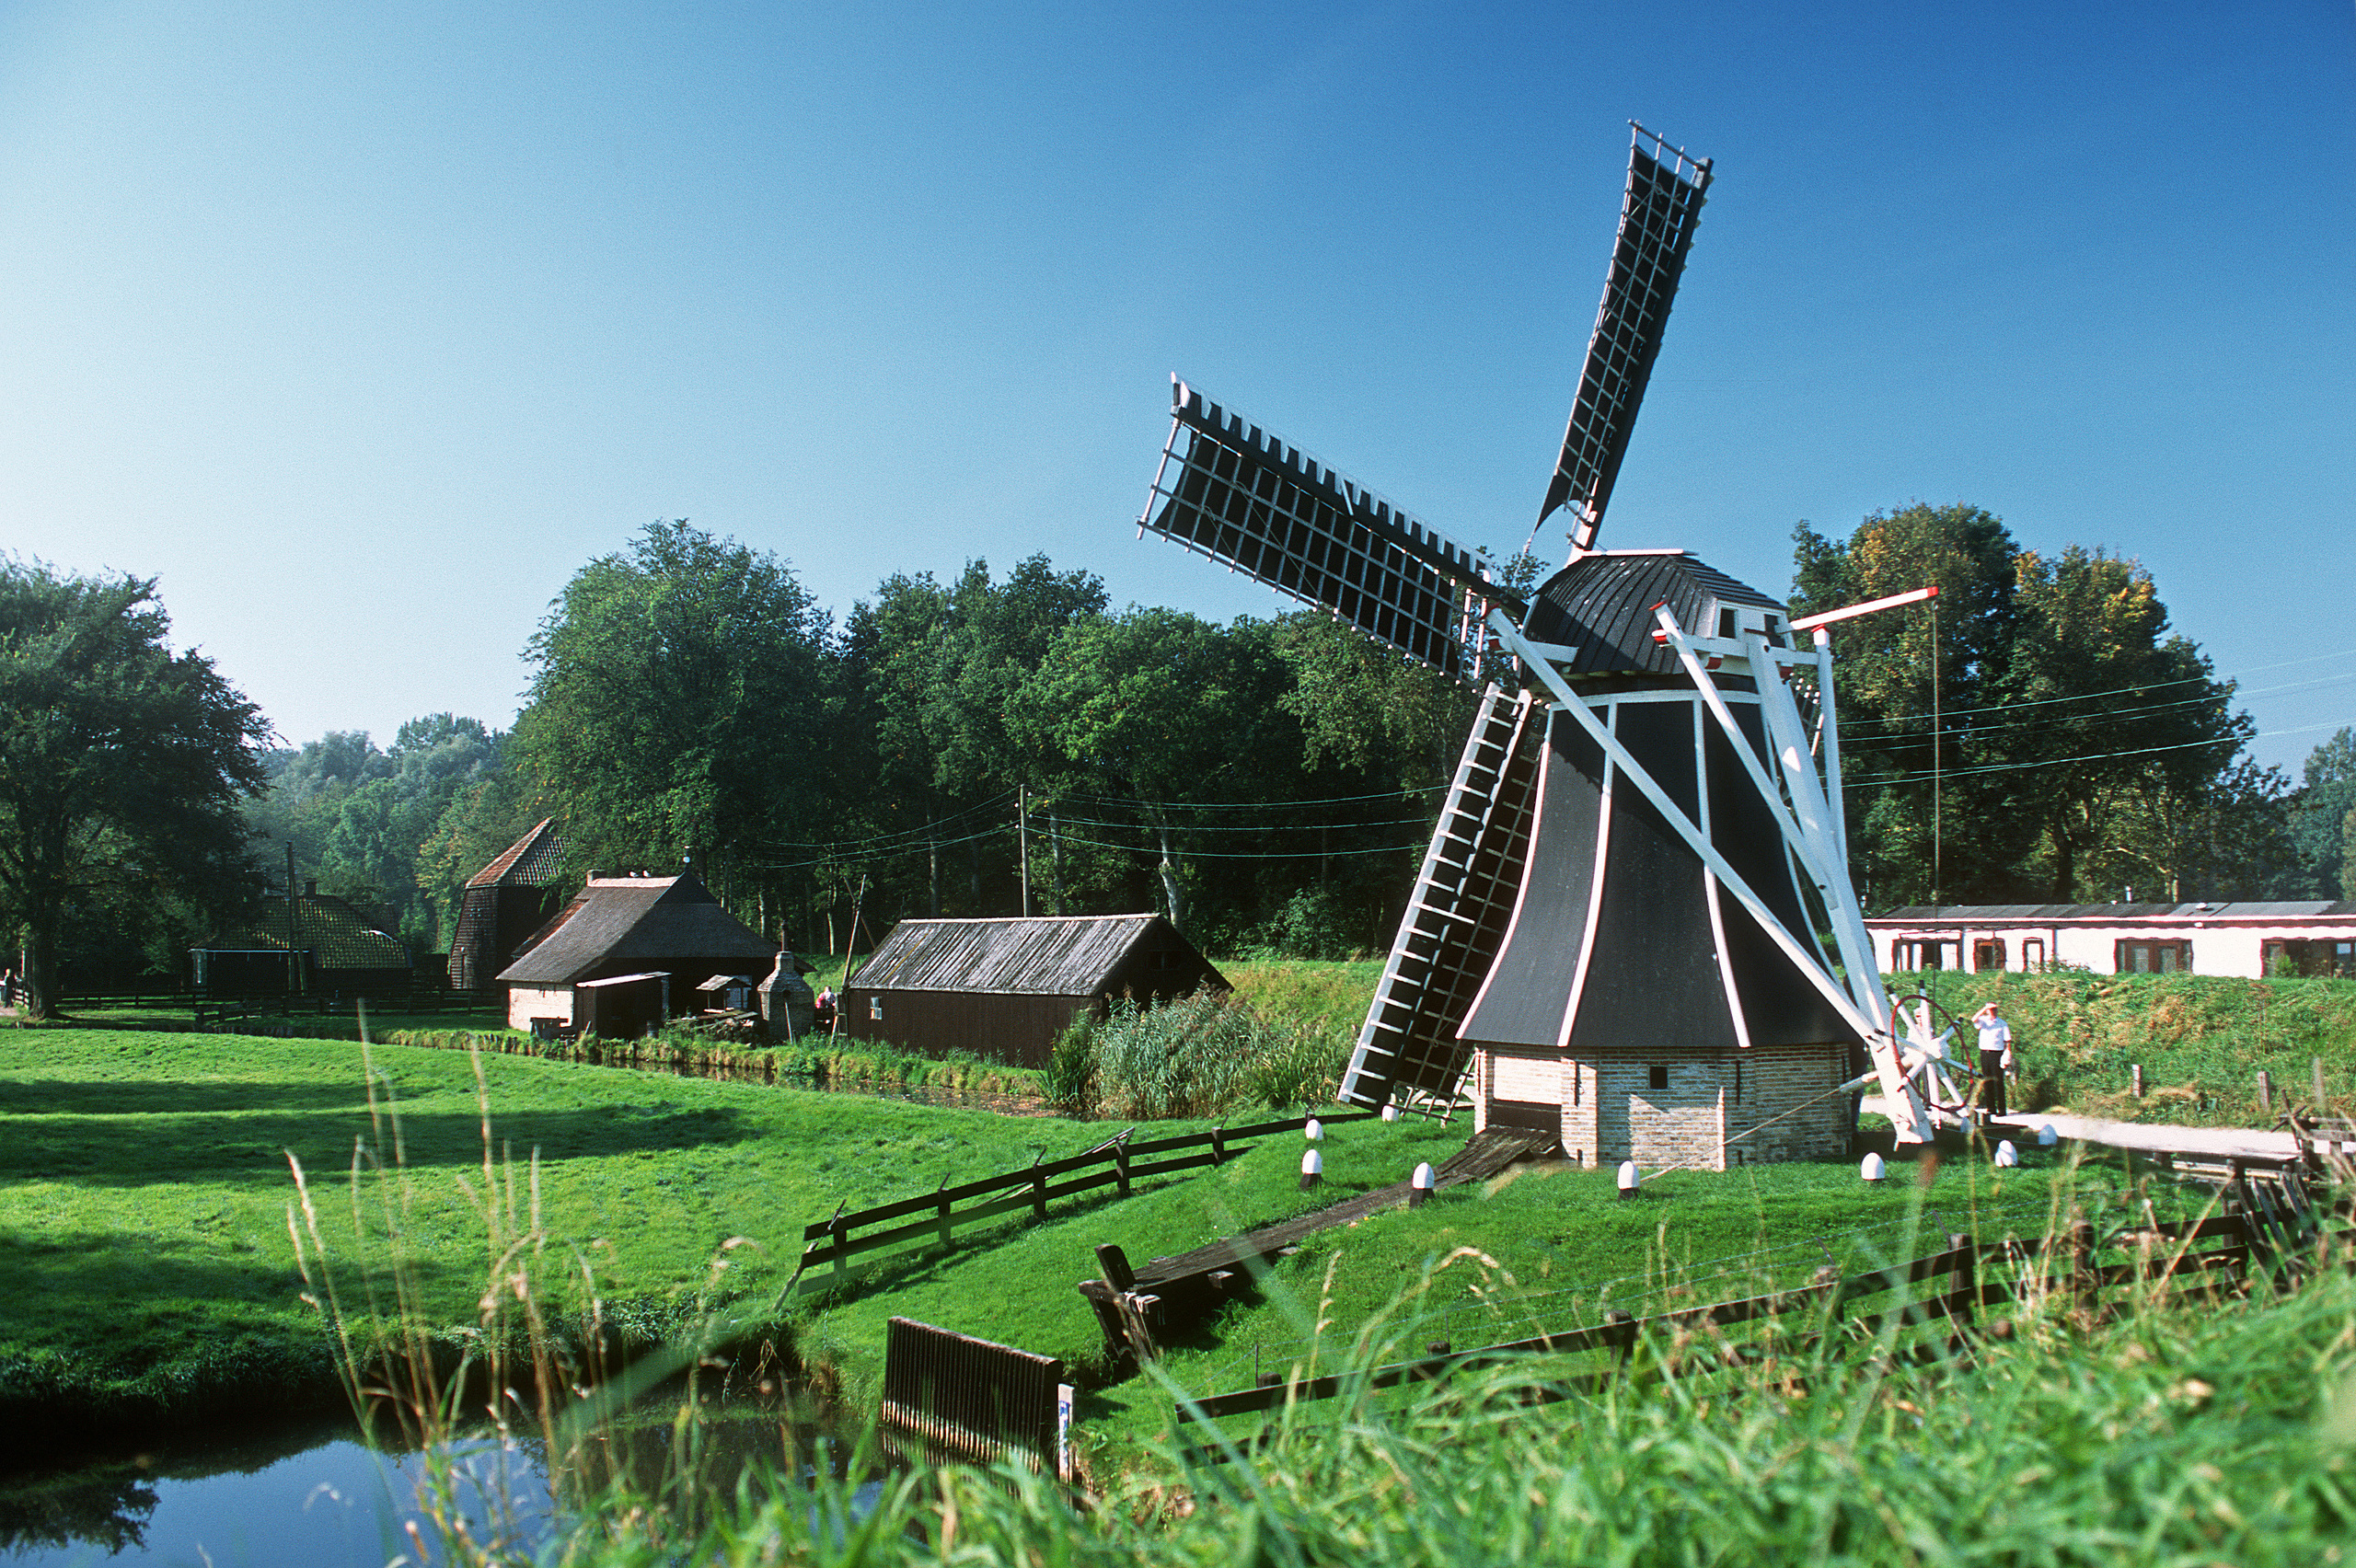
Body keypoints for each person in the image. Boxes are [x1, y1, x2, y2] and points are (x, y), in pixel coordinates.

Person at [1973, 1002, 2014, 1120]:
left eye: (1995, 1009)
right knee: (1987, 1079)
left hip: (1997, 1053)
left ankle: (2002, 1109)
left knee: (1998, 1080)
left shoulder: (2002, 1023)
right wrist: (1985, 1007)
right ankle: (1991, 1108)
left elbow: (2007, 1040)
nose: (1993, 1012)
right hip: (1985, 1053)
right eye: (1991, 1010)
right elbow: (1973, 1019)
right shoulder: (1983, 1021)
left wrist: (2008, 1052)